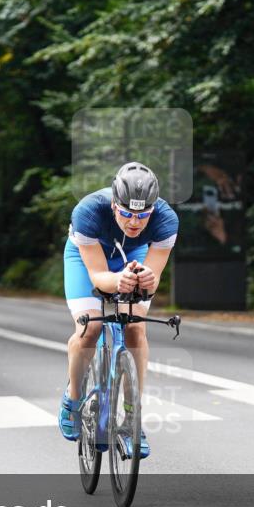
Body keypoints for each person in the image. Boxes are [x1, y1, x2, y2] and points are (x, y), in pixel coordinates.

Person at [59, 161, 179, 458]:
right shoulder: (88, 212)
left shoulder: (166, 220)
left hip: (133, 255)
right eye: (126, 213)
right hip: (88, 258)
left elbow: (151, 283)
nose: (134, 222)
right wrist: (118, 280)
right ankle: (73, 400)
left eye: (142, 215)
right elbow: (99, 278)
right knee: (90, 328)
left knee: (136, 327)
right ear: (114, 204)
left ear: (153, 209)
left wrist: (146, 281)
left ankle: (132, 419)